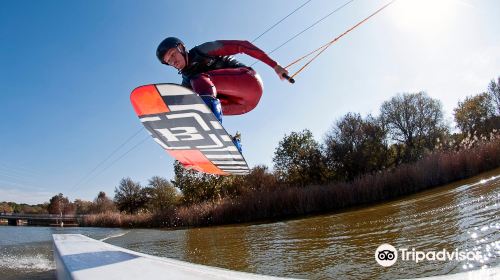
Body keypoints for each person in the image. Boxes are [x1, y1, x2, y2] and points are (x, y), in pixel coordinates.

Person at [156, 37, 289, 153]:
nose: (172, 61)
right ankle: (231, 143)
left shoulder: (203, 51)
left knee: (198, 80)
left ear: (181, 48)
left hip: (249, 82)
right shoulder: (186, 80)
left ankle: (213, 133)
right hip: (241, 105)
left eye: (173, 54)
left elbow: (242, 45)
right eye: (168, 61)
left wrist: (275, 65)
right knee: (193, 105)